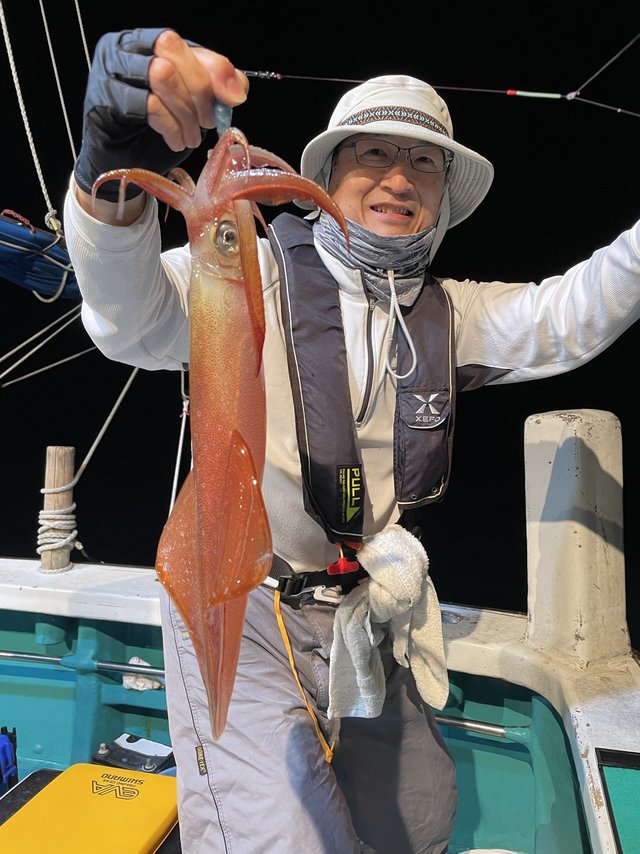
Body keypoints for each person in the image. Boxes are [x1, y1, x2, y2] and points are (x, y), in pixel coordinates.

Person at [63, 28, 640, 854]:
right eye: (371, 153)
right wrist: (103, 172)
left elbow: (572, 313)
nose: (398, 178)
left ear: (444, 194)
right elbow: (129, 319)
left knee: (420, 815)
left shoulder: (454, 313)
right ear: (327, 176)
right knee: (280, 836)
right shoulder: (248, 268)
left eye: (425, 163)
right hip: (242, 595)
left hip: (368, 616)